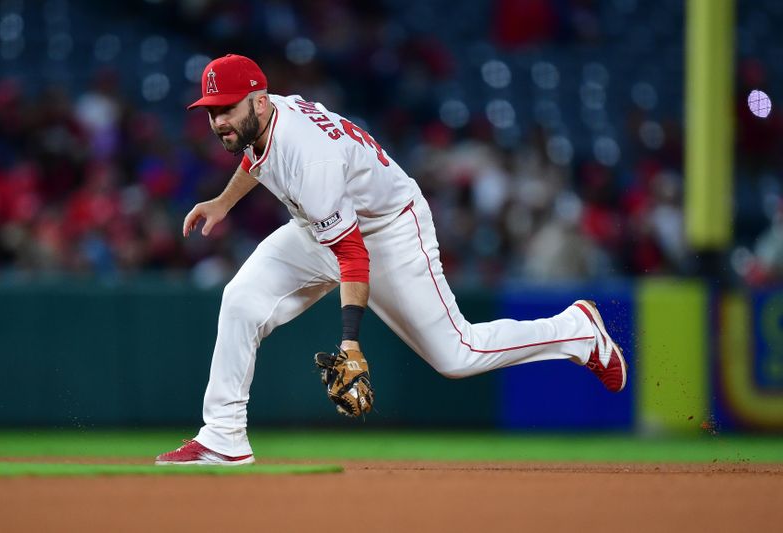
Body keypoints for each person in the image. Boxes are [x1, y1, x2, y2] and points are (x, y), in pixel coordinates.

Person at [156, 54, 626, 466]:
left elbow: (353, 255)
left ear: (258, 101)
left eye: (228, 109)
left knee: (457, 354)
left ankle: (577, 332)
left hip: (387, 232)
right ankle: (223, 437)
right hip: (320, 225)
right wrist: (222, 202)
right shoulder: (267, 114)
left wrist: (351, 343)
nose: (219, 121)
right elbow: (258, 157)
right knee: (241, 300)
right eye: (212, 111)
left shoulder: (309, 158)